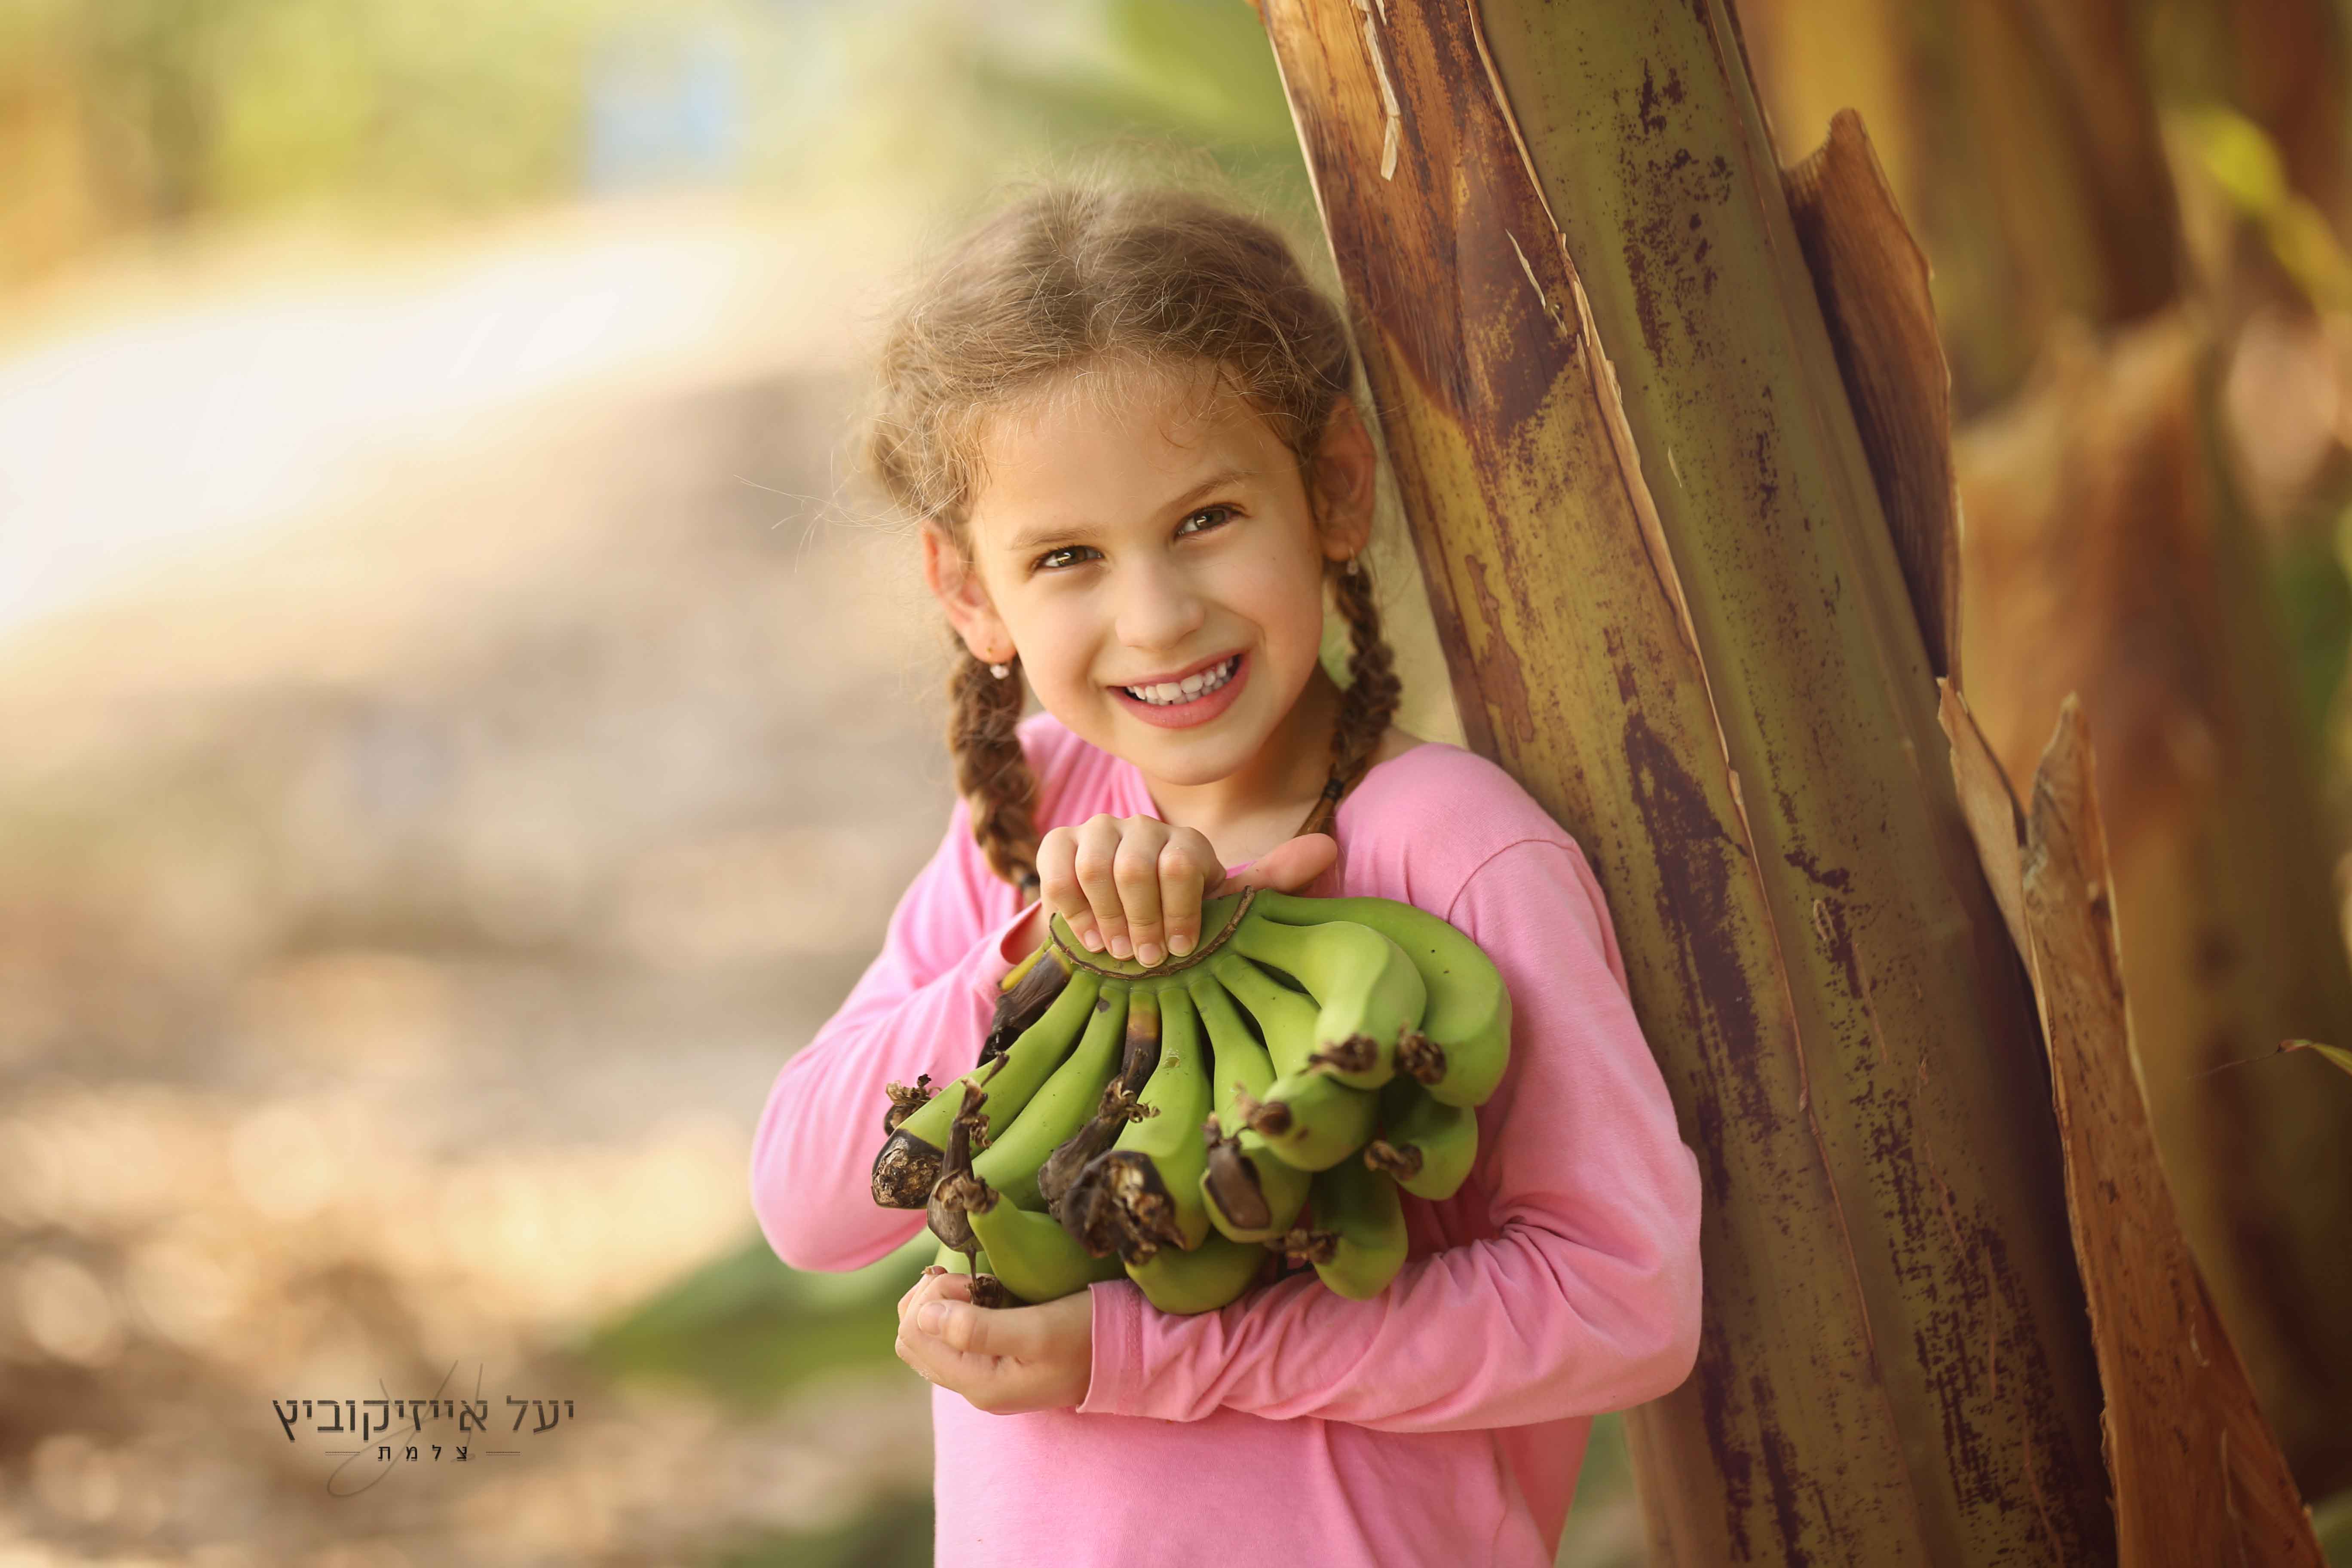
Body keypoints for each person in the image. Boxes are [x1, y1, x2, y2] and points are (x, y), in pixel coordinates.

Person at [748, 180, 1703, 1568]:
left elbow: (1624, 1300)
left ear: (1332, 488)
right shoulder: (1027, 817)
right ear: (969, 594)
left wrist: (1148, 1358)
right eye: (1067, 557)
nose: (1156, 614)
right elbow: (808, 1203)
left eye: (1204, 519)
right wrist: (1050, 957)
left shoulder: (1456, 852)